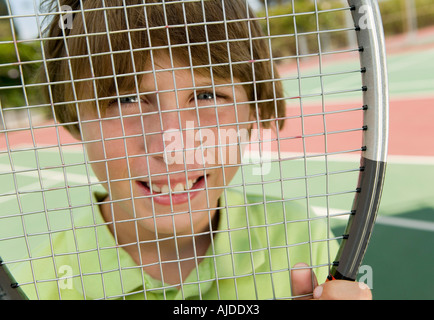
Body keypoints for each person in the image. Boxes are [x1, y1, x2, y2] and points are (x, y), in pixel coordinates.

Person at [10, 0, 371, 300]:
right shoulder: (39, 287)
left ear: (254, 108)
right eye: (127, 99)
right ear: (73, 114)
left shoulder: (303, 239)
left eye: (206, 95)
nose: (174, 148)